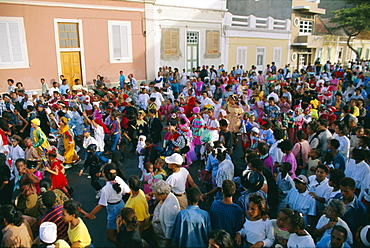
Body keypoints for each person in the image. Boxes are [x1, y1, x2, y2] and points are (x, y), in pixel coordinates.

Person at [84, 164, 130, 245]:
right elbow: (128, 191)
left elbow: (101, 204)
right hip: (121, 205)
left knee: (110, 237)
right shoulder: (118, 179)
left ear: (104, 174)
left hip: (112, 209)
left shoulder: (105, 189)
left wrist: (90, 214)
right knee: (122, 228)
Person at [150, 180, 180, 247]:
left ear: (163, 194)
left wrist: (167, 244)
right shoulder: (166, 198)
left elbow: (169, 228)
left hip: (164, 239)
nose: (155, 196)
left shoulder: (169, 206)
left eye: (156, 194)